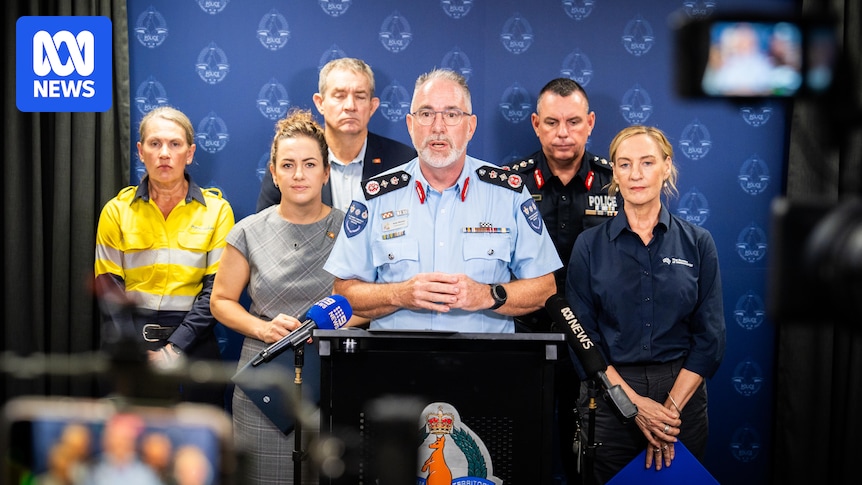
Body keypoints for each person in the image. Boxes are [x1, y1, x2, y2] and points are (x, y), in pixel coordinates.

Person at [323, 68, 562, 332]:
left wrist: (487, 295)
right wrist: (399, 294)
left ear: (470, 127)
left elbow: (544, 287)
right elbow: (343, 293)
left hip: (484, 363)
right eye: (426, 114)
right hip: (398, 362)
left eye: (451, 114)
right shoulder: (374, 196)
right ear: (410, 126)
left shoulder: (509, 193)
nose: (438, 127)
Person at [565, 125, 726, 484]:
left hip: (681, 396)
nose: (635, 174)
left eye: (647, 162)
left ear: (666, 167)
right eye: (624, 164)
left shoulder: (699, 243)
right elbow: (583, 341)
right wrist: (633, 406)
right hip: (610, 396)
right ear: (615, 173)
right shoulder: (588, 246)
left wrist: (665, 416)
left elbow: (710, 339)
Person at [211, 108, 354, 484]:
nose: (299, 174)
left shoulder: (352, 230)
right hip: (265, 386)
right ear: (273, 173)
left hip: (333, 380)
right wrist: (264, 329)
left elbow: (365, 304)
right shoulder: (248, 232)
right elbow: (221, 300)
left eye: (309, 164)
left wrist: (320, 333)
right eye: (287, 165)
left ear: (326, 171)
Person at [510, 77, 619, 484]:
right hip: (526, 339)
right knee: (520, 453)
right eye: (552, 122)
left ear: (590, 123)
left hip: (595, 345)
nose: (562, 133)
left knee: (588, 461)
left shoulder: (617, 183)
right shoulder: (508, 183)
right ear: (536, 124)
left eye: (573, 122)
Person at [94, 106, 235, 407]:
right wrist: (136, 354)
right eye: (154, 143)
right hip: (131, 341)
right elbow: (109, 290)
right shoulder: (116, 211)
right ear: (140, 152)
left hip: (194, 341)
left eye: (175, 144)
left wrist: (173, 350)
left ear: (190, 152)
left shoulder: (218, 211)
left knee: (197, 446)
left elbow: (216, 292)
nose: (164, 153)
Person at [256, 57, 416, 213]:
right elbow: (265, 230)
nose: (350, 106)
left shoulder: (403, 162)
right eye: (339, 96)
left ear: (372, 106)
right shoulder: (290, 163)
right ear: (320, 103)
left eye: (360, 97)